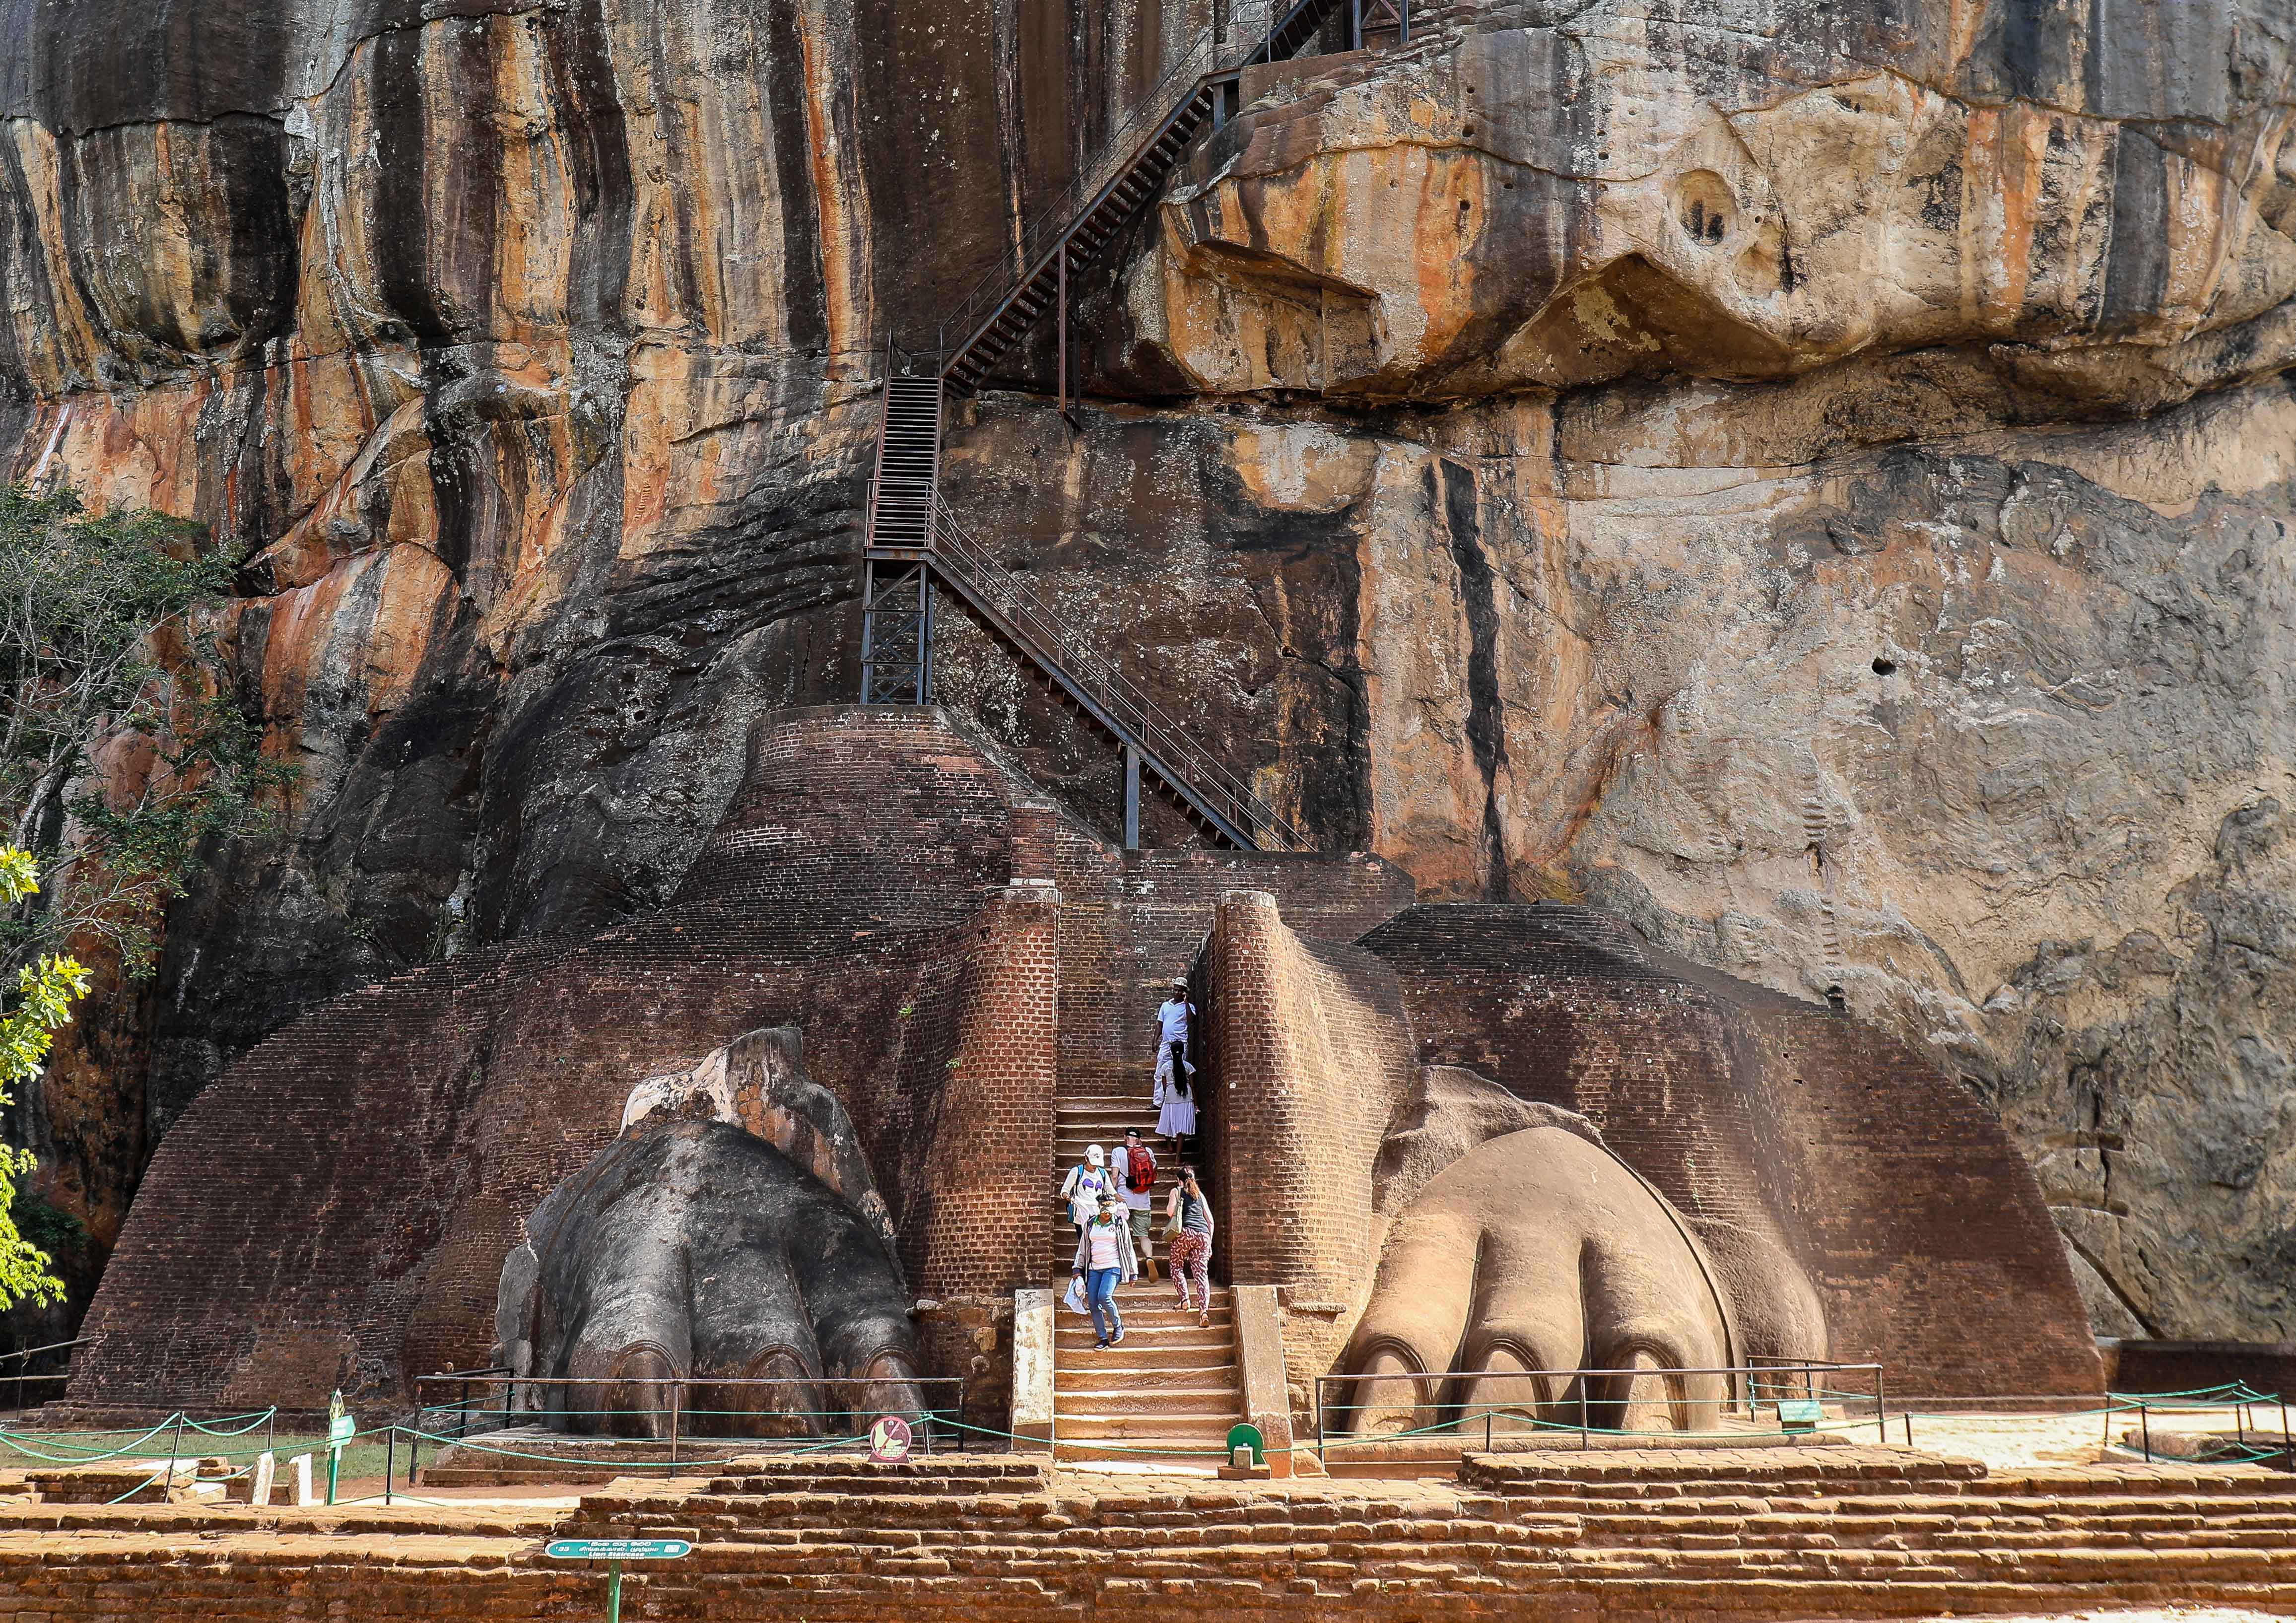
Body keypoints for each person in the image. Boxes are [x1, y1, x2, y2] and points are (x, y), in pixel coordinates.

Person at [1070, 1195, 1139, 1349]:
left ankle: (1118, 1325)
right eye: (1105, 1211)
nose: (1107, 1214)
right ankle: (1103, 1338)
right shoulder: (1090, 1224)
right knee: (1093, 1302)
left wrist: (1133, 1272)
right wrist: (1078, 1269)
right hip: (1095, 1268)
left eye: (1110, 1211)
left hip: (1113, 1266)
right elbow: (1083, 1248)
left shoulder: (1120, 1224)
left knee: (1104, 1296)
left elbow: (1128, 1248)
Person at [1164, 1165, 1215, 1327]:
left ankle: (1185, 1299)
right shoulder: (1199, 1195)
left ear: (1179, 1180)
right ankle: (1204, 1311)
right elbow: (1211, 1221)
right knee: (1201, 1274)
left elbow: (1170, 1213)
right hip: (1204, 1235)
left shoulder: (1176, 1191)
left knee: (1176, 1266)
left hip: (1185, 1233)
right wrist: (1210, 1245)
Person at [1152, 977, 1197, 1153]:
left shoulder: (1188, 1007)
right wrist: (1155, 1039)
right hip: (1166, 1043)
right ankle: (1158, 1101)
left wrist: (1186, 1002)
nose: (1178, 992)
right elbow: (1160, 1024)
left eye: (1181, 990)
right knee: (1160, 1072)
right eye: (1176, 990)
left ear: (1185, 991)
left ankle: (1177, 1096)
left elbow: (1191, 1021)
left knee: (1178, 1072)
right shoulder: (1166, 1006)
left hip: (1180, 1043)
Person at [1112, 1128, 1159, 1283]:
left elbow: (1114, 1176)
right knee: (1143, 1235)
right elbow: (1153, 1173)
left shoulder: (1118, 1151)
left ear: (1125, 1137)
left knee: (1121, 1235)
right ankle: (1149, 1257)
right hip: (1143, 1200)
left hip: (1123, 1200)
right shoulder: (1148, 1152)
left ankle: (1126, 1270)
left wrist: (1112, 1195)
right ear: (1139, 1139)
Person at [1059, 1145, 1114, 1247]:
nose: (1094, 1167)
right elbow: (1064, 1191)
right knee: (1084, 1242)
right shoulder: (1077, 1171)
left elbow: (1111, 1191)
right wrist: (1069, 1198)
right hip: (1081, 1213)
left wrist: (1121, 1201)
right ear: (1086, 1159)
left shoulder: (1103, 1174)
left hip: (1098, 1213)